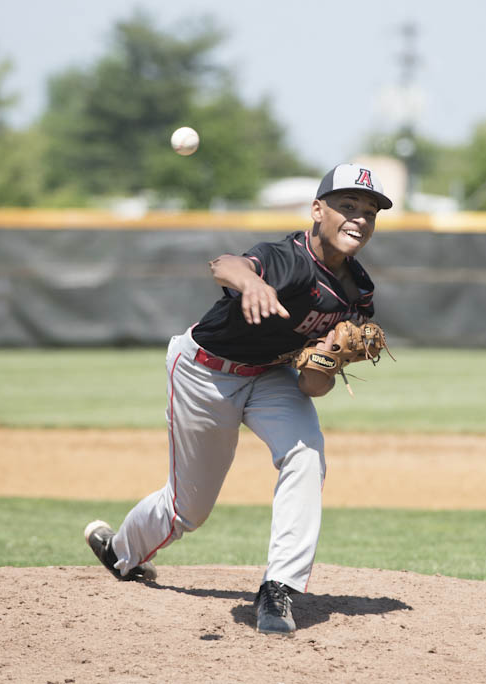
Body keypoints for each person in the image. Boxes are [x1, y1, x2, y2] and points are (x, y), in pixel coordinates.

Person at [84, 163, 393, 635]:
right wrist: (251, 283)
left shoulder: (357, 292)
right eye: (347, 206)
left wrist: (325, 363)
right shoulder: (284, 257)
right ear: (317, 211)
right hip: (205, 371)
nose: (359, 218)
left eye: (370, 211)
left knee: (306, 455)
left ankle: (280, 588)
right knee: (188, 510)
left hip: (271, 377)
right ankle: (120, 551)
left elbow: (313, 388)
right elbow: (224, 265)